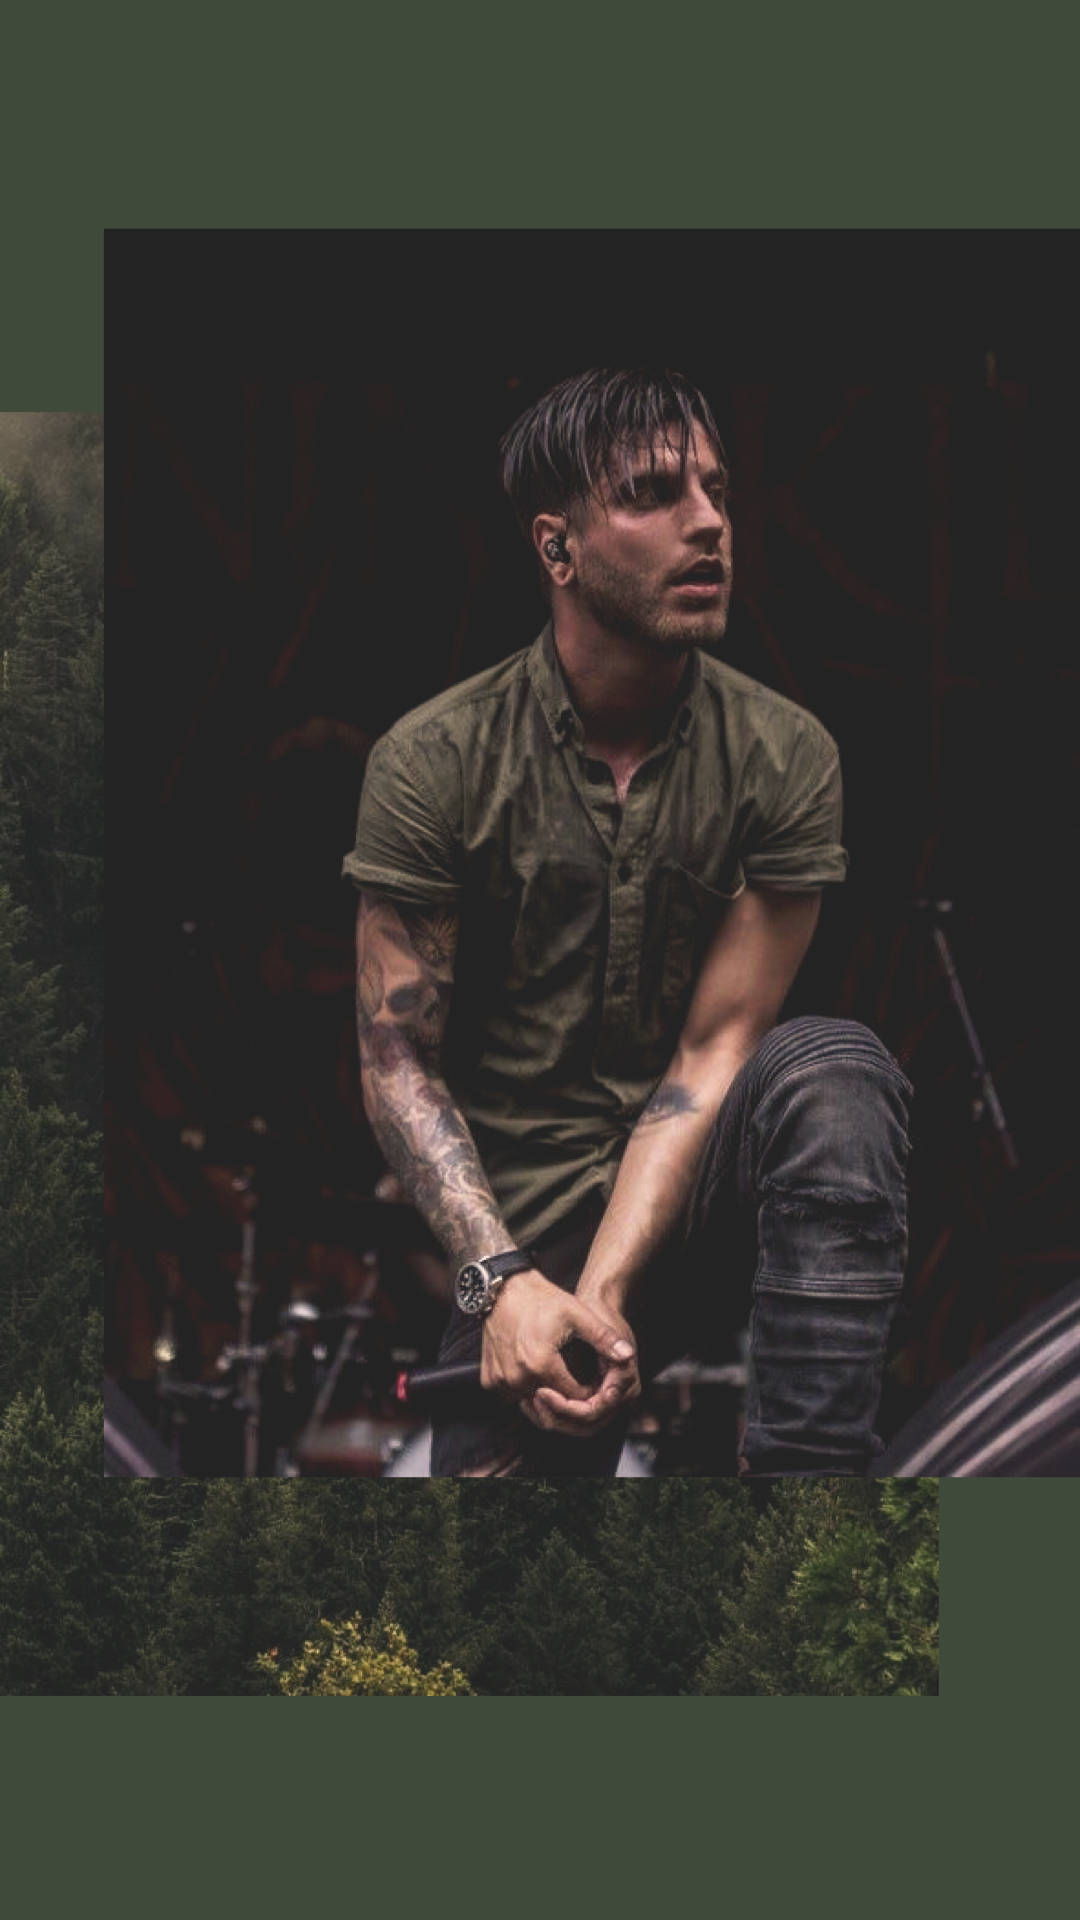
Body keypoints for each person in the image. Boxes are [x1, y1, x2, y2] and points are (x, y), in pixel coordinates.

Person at [342, 366, 911, 1478]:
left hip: (704, 1205)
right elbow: (395, 1060)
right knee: (488, 1582)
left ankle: (810, 1494)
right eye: (654, 494)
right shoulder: (433, 760)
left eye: (717, 488)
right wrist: (500, 1288)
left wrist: (608, 1291)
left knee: (834, 1070)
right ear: (557, 548)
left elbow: (717, 1049)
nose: (708, 524)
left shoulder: (786, 755)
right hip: (513, 1233)